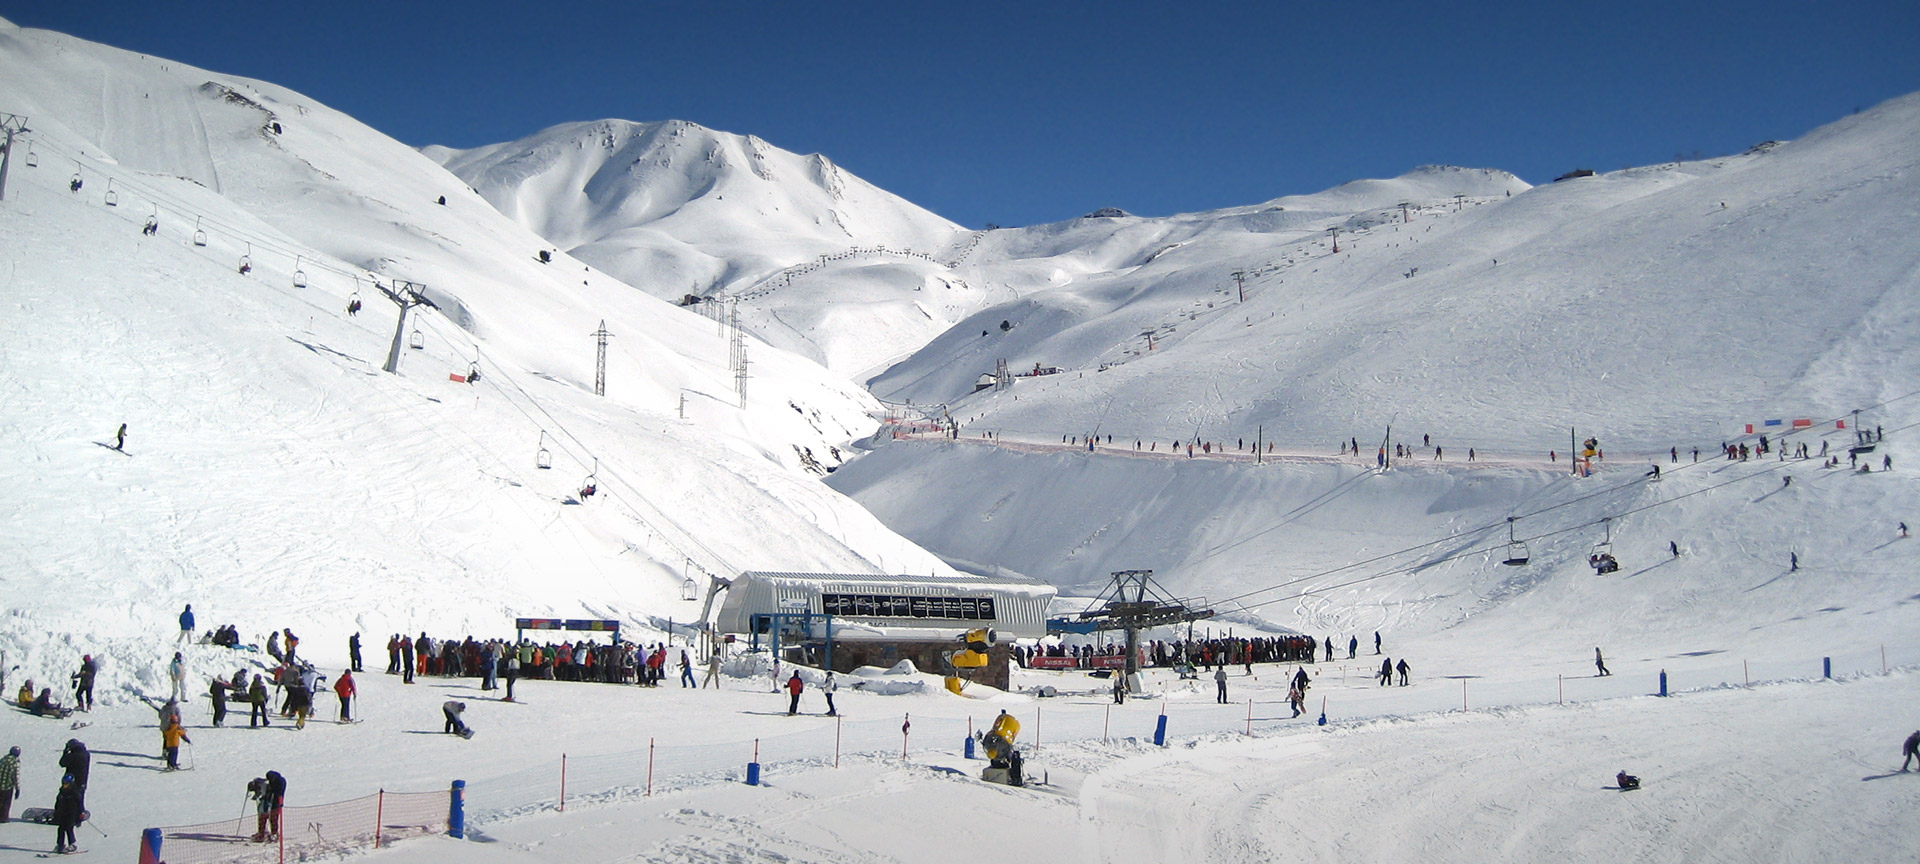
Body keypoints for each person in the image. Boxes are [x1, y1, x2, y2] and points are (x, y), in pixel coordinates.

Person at [249, 771, 286, 842]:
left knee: (273, 818)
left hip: (275, 803)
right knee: (263, 817)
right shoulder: (272, 782)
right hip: (267, 802)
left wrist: (272, 790)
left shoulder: (280, 782)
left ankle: (273, 834)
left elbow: (278, 792)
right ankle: (263, 832)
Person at [52, 773, 83, 853]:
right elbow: (58, 802)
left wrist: (80, 814)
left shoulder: (74, 792)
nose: (65, 785)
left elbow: (80, 804)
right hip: (63, 813)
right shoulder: (61, 792)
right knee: (61, 829)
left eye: (66, 784)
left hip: (72, 813)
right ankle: (60, 845)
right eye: (64, 783)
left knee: (69, 828)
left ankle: (72, 844)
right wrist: (56, 812)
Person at [58, 739, 88, 810]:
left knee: (67, 797)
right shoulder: (85, 754)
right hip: (83, 780)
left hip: (71, 780)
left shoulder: (72, 755)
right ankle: (80, 812)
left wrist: (65, 752)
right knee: (79, 799)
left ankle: (65, 812)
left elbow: (62, 763)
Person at [0, 745, 18, 824]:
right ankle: (3, 818)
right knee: (6, 803)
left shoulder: (3, 760)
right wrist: (18, 788)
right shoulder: (14, 763)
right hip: (8, 786)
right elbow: (15, 776)